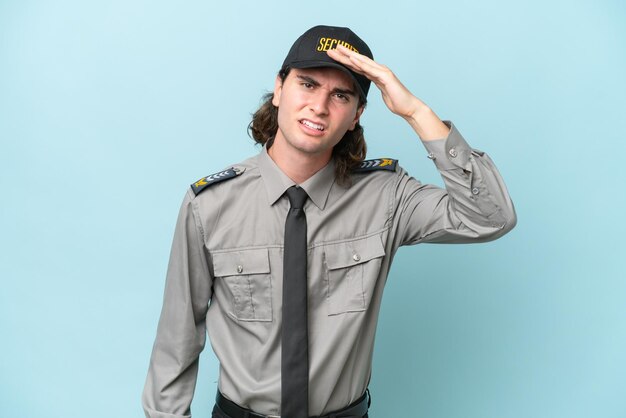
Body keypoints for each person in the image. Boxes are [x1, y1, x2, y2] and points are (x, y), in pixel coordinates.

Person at [142, 25, 516, 418]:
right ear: (279, 88)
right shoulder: (210, 205)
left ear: (357, 115)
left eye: (341, 95)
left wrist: (416, 112)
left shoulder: (386, 197)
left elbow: (490, 217)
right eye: (307, 84)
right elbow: (176, 343)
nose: (319, 106)